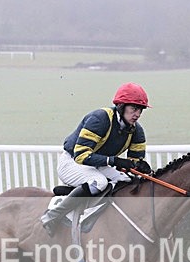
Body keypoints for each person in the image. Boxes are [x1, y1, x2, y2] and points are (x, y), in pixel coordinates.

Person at [40, 82, 153, 236]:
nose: (137, 114)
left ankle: (82, 196)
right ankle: (52, 216)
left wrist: (140, 166)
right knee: (99, 182)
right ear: (121, 106)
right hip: (72, 162)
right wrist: (114, 161)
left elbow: (133, 164)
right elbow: (81, 155)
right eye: (134, 108)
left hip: (96, 166)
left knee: (127, 181)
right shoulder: (100, 119)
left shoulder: (137, 131)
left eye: (140, 110)